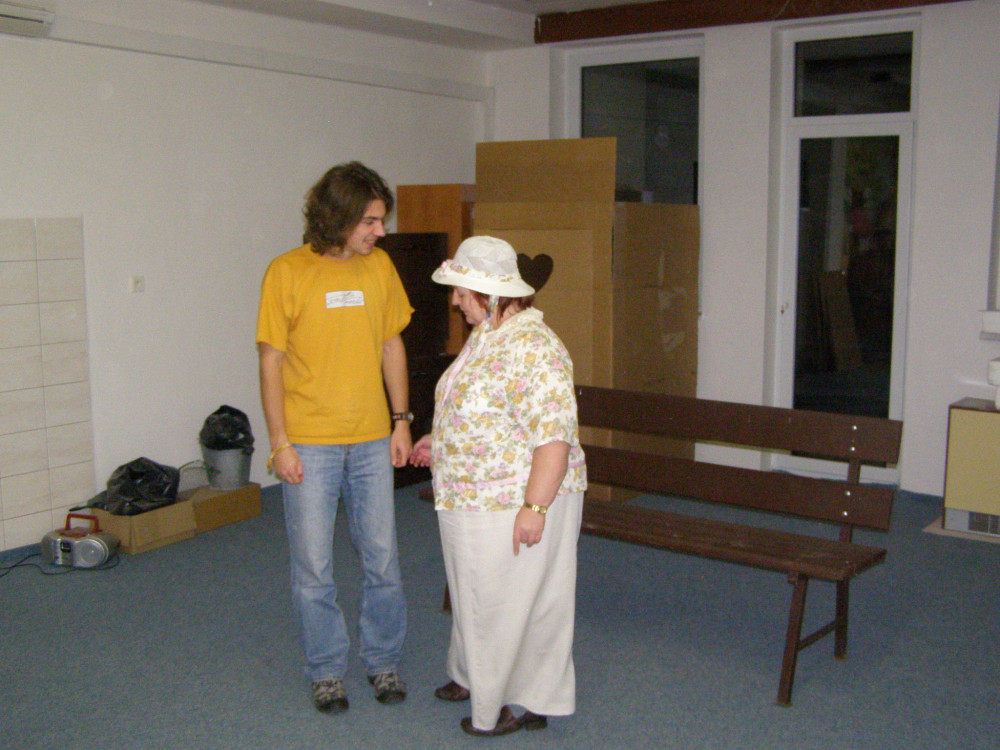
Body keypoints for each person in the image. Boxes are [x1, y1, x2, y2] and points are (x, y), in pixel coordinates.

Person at [410, 236, 587, 737]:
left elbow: (553, 439)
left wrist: (535, 507)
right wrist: (441, 439)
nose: (454, 301)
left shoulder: (535, 347)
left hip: (517, 496)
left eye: (460, 291)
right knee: (478, 595)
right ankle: (475, 675)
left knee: (512, 603)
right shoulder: (489, 333)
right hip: (475, 495)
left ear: (489, 294)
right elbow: (483, 406)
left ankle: (512, 700)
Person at [256, 161, 413, 714]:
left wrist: (401, 420)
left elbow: (392, 346)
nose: (380, 231)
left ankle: (383, 661)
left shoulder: (380, 268)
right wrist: (280, 442)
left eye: (381, 220)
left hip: (372, 439)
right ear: (339, 217)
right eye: (370, 221)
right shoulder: (286, 272)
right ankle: (326, 670)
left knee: (382, 560)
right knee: (313, 568)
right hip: (309, 443)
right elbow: (271, 362)